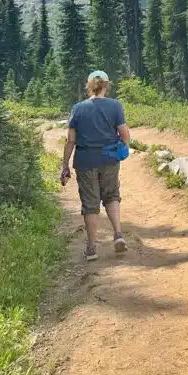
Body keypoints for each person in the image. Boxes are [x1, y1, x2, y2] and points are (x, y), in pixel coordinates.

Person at [60, 70, 131, 262]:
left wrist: (64, 164)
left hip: (85, 161)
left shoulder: (78, 108)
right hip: (109, 159)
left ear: (89, 86)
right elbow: (125, 135)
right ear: (106, 85)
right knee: (111, 196)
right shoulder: (115, 106)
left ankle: (91, 249)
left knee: (90, 205)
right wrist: (122, 147)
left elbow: (70, 140)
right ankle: (118, 234)